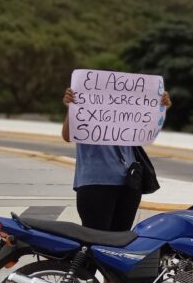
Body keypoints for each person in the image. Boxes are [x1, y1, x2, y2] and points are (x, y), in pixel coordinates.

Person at [61, 87, 172, 232]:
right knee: (95, 242)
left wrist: (160, 108)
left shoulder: (128, 112)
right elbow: (67, 136)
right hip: (95, 183)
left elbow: (147, 130)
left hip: (129, 184)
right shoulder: (86, 111)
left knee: (120, 243)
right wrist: (73, 108)